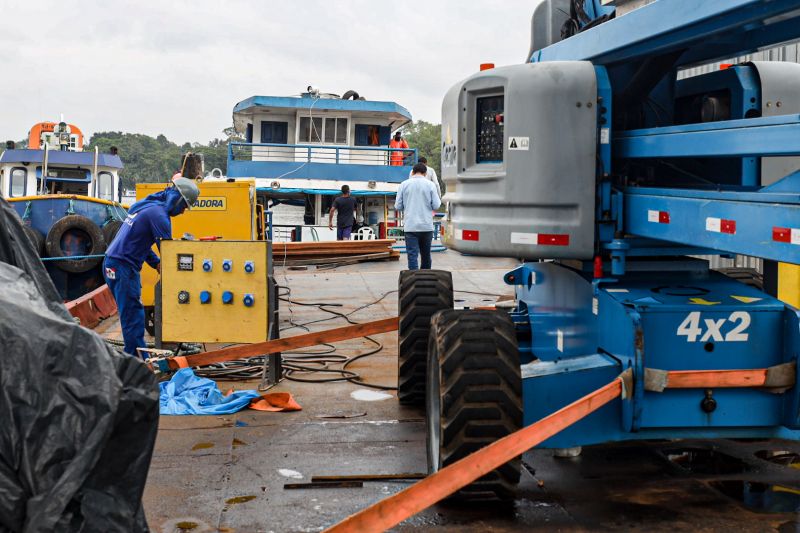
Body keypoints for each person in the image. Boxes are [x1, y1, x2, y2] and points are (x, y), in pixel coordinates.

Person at [103, 177, 200, 357]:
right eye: (185, 206)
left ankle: (137, 358)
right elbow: (169, 252)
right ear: (178, 199)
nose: (183, 212)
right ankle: (138, 364)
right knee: (133, 317)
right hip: (123, 268)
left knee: (131, 314)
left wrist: (156, 263)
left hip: (113, 264)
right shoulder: (159, 215)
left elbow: (140, 242)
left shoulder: (145, 205)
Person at [396, 163, 442, 270]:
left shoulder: (404, 184)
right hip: (426, 226)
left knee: (412, 256)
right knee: (426, 256)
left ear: (412, 172)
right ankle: (425, 281)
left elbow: (398, 206)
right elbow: (436, 205)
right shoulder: (430, 185)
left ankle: (414, 281)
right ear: (425, 173)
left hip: (410, 227)